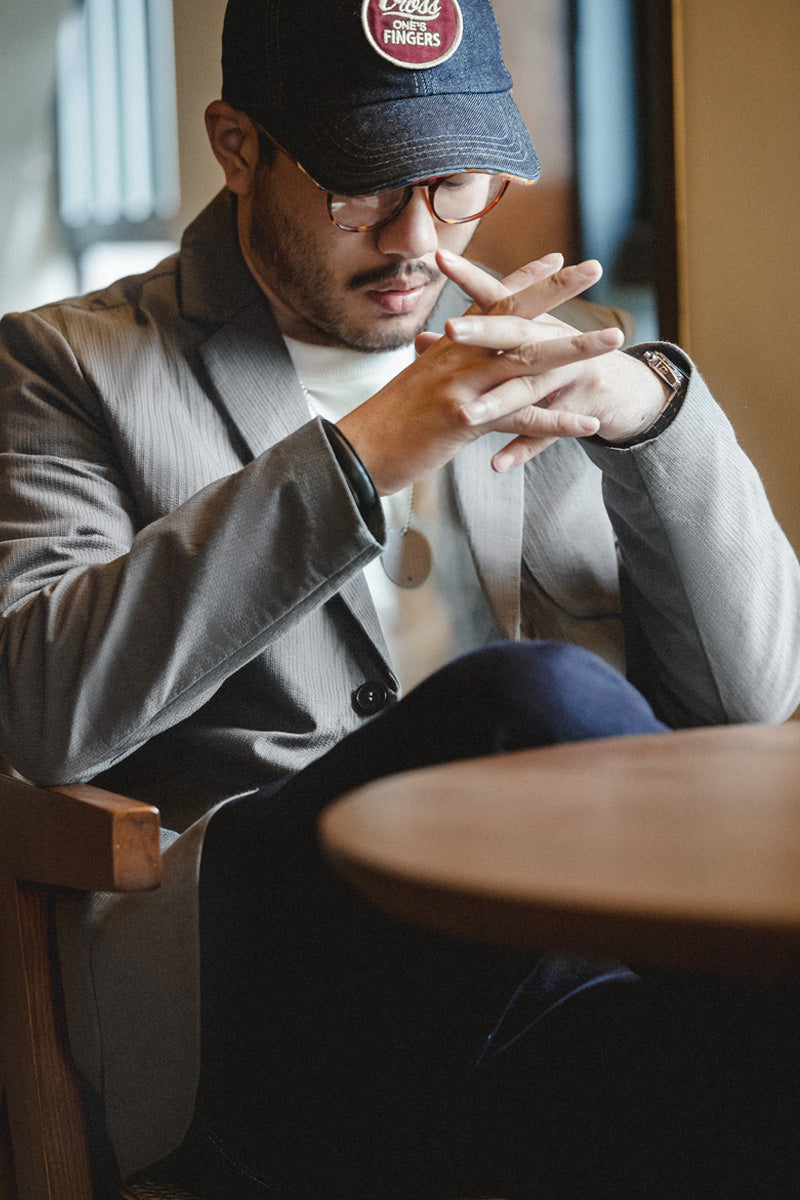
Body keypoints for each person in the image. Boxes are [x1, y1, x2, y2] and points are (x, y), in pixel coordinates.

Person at [1, 0, 799, 1195]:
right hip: (262, 985)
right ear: (236, 145)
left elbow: (753, 714)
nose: (417, 239)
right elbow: (46, 709)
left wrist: (655, 419)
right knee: (533, 701)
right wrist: (365, 451)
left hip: (543, 989)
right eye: (362, 185)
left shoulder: (550, 358)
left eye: (456, 180)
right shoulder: (65, 365)